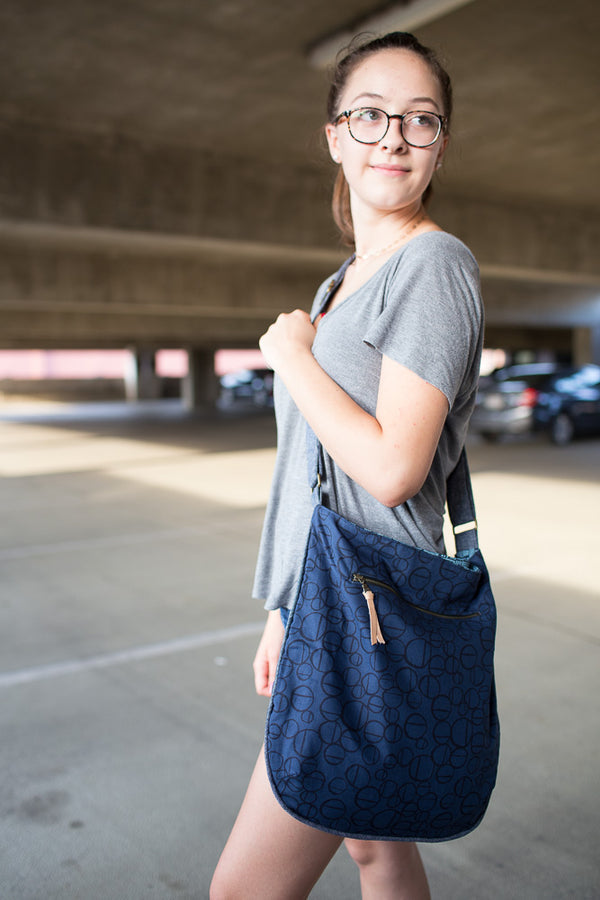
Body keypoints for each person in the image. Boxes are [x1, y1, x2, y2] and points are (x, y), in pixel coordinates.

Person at [211, 31, 483, 900]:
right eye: (370, 115)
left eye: (419, 119)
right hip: (330, 607)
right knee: (375, 849)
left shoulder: (433, 266)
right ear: (334, 135)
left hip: (370, 619)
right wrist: (283, 607)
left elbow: (394, 468)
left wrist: (293, 359)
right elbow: (307, 469)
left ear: (440, 144)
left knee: (241, 892)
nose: (393, 137)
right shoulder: (339, 287)